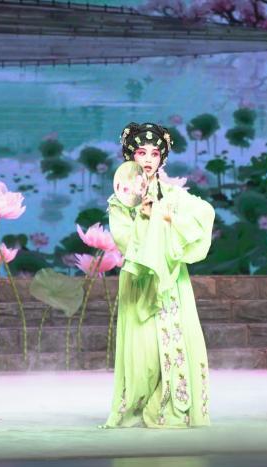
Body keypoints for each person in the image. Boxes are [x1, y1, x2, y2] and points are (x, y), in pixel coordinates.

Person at [102, 122, 215, 428]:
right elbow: (125, 242)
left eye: (155, 153)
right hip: (140, 279)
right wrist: (145, 218)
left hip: (172, 281)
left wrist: (166, 217)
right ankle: (139, 406)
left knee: (175, 343)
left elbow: (204, 215)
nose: (149, 159)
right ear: (130, 156)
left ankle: (172, 408)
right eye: (142, 152)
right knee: (145, 352)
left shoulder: (174, 196)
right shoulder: (120, 200)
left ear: (162, 158)